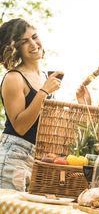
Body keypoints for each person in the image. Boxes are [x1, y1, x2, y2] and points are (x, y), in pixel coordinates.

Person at [0, 18, 62, 191]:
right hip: (13, 158)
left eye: (35, 37)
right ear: (15, 48)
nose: (34, 44)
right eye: (24, 42)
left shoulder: (44, 76)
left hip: (38, 159)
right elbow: (20, 127)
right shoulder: (14, 78)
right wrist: (43, 92)